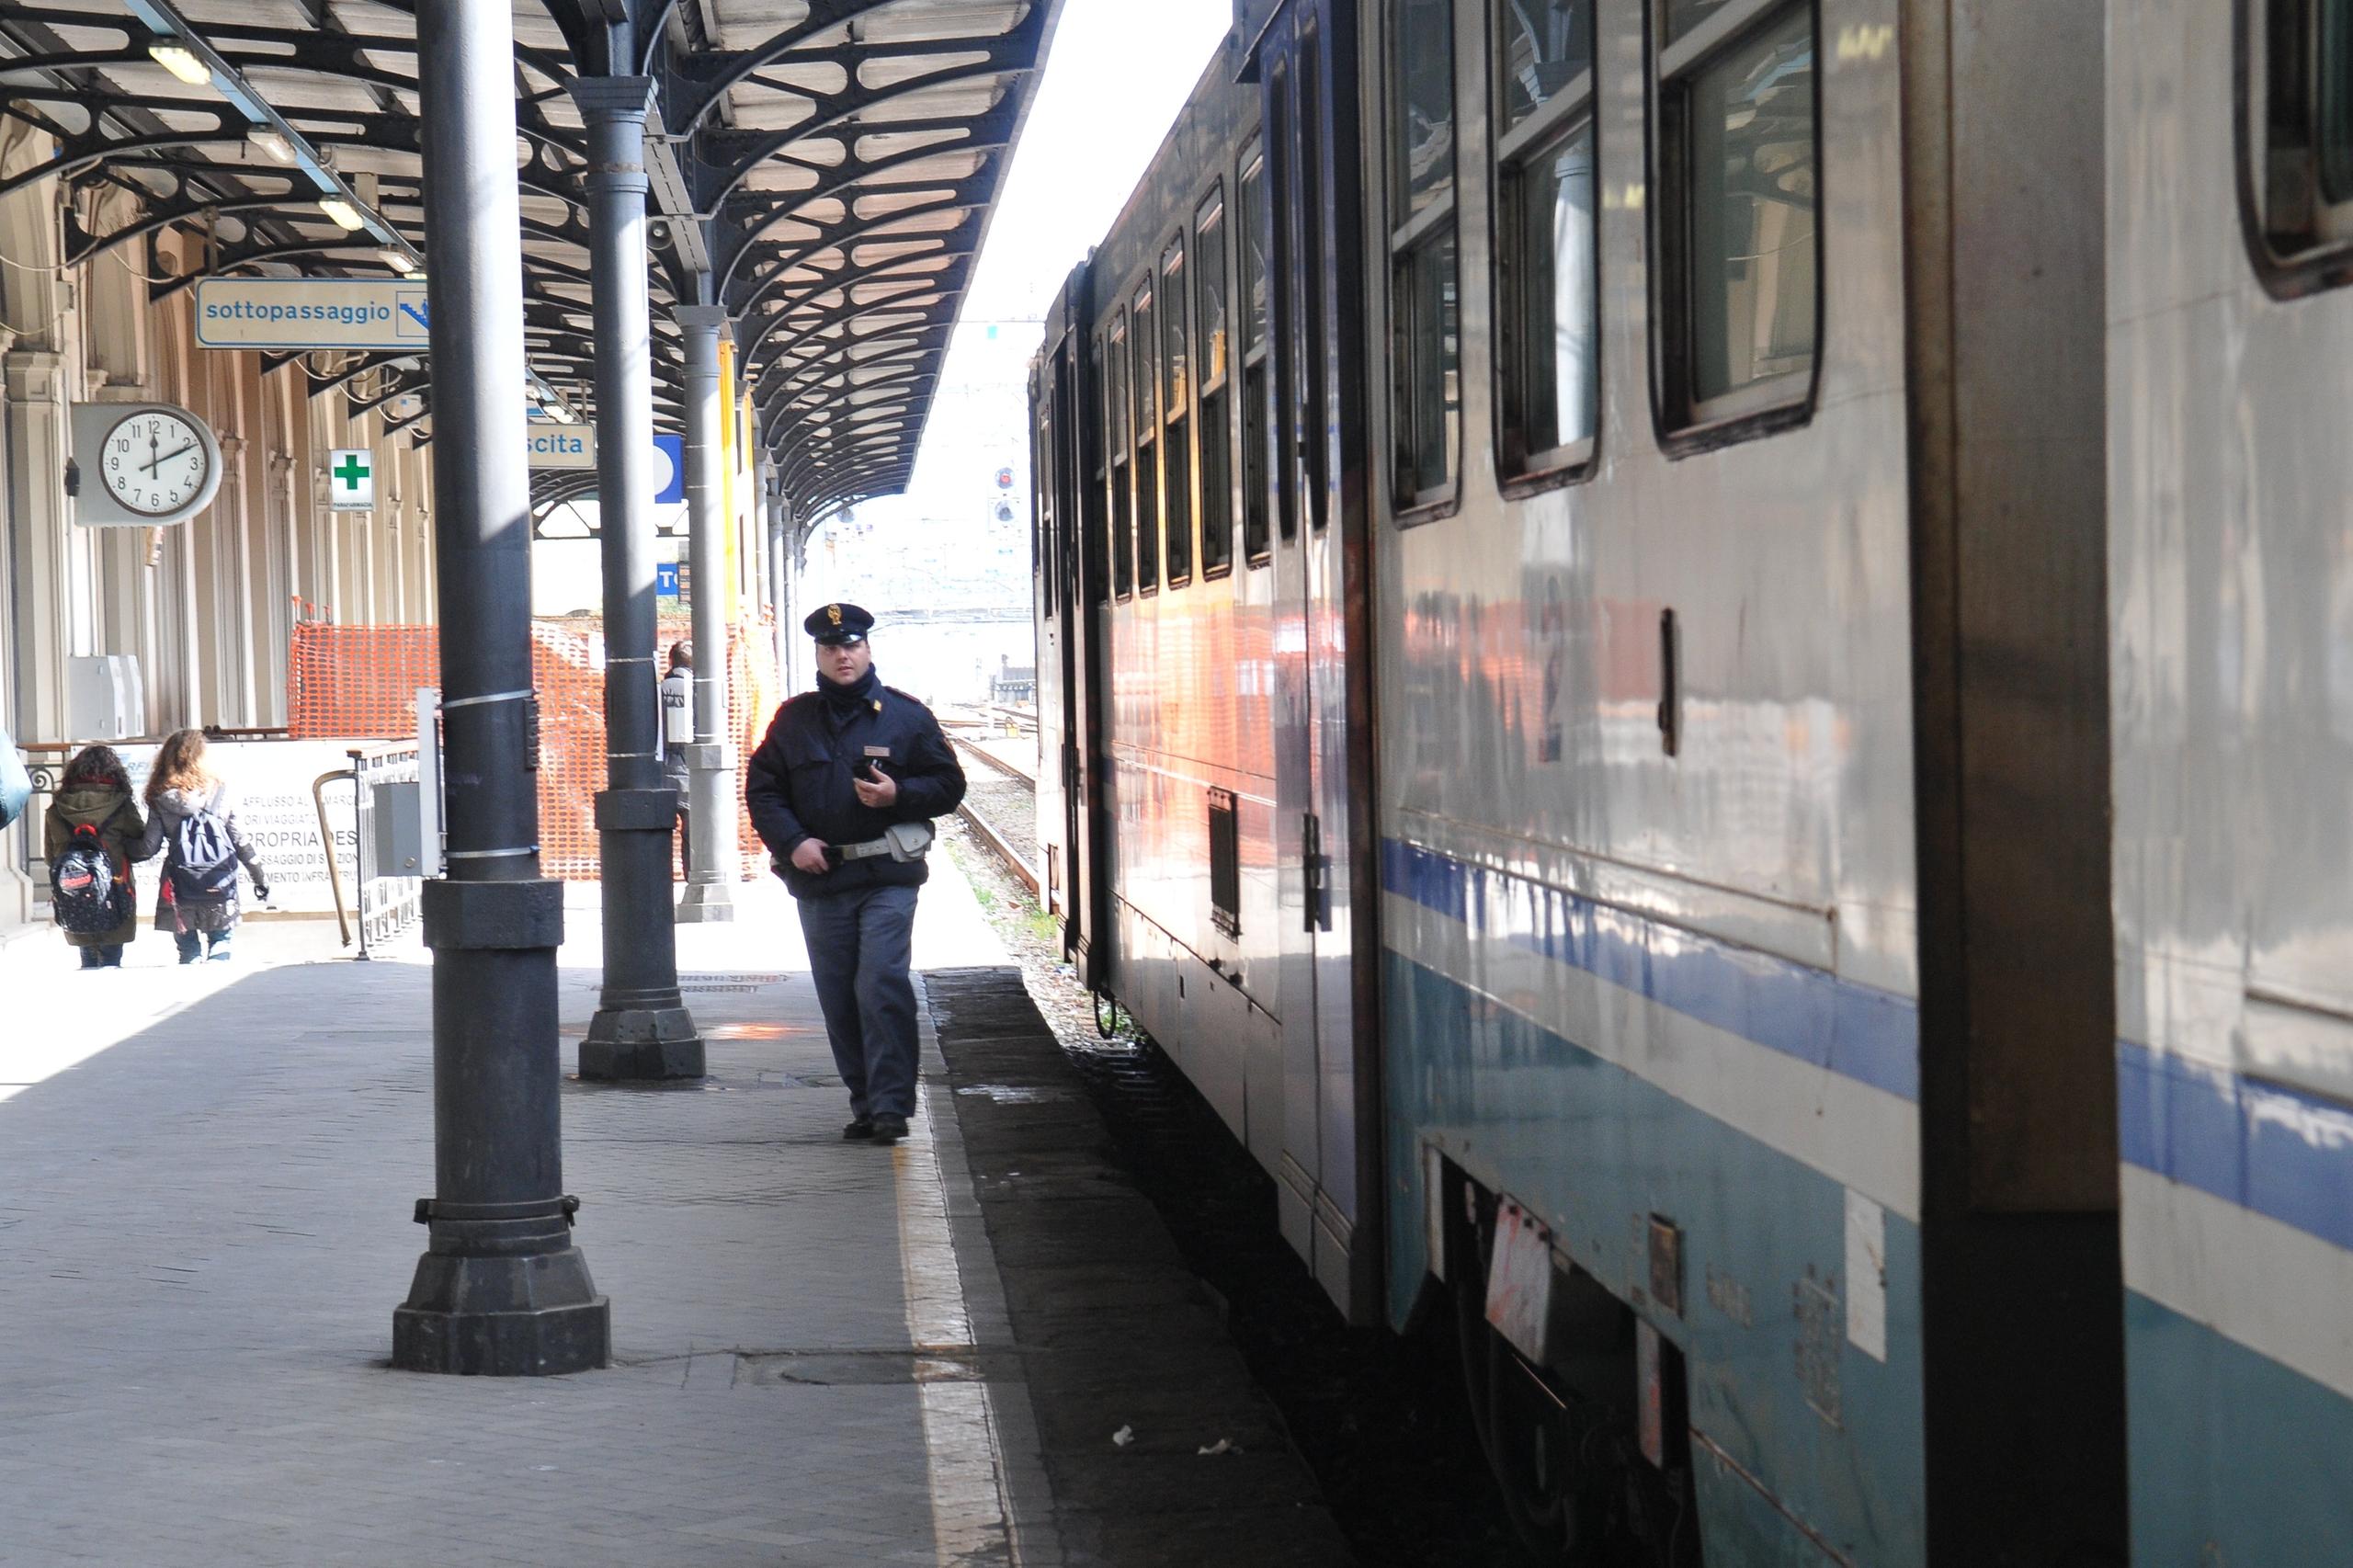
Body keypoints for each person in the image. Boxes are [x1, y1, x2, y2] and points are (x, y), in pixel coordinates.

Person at [745, 602, 967, 1146]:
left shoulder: (905, 716)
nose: (842, 656)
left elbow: (949, 786)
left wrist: (900, 793)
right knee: (839, 995)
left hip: (888, 873)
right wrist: (794, 842)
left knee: (880, 982)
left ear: (868, 650)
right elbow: (764, 789)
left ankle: (892, 1107)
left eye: (851, 646)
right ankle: (865, 1103)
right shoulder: (793, 720)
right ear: (819, 656)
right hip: (822, 880)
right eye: (830, 648)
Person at [138, 728, 269, 964]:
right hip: (218, 879)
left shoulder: (160, 797)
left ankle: (192, 986)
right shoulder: (218, 790)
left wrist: (120, 850)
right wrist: (259, 877)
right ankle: (216, 985)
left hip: (179, 881)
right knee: (221, 940)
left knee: (188, 948)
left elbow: (149, 847)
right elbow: (239, 839)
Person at [43, 744, 145, 969]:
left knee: (87, 956)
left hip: (74, 890)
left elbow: (51, 858)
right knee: (111, 956)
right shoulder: (121, 804)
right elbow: (140, 839)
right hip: (114, 889)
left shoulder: (57, 808)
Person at [661, 639, 694, 881]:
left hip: (660, 767)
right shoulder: (702, 689)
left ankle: (659, 877)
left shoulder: (659, 688)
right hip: (690, 769)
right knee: (692, 831)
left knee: (659, 828)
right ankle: (692, 875)